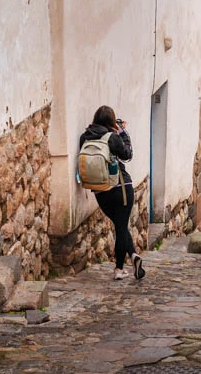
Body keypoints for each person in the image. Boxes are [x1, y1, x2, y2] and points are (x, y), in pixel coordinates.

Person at [80, 105, 145, 280]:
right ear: (111, 121)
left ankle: (128, 260)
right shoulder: (113, 137)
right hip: (121, 188)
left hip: (101, 192)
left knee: (120, 227)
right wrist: (123, 132)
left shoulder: (85, 137)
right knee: (122, 227)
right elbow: (127, 155)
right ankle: (121, 266)